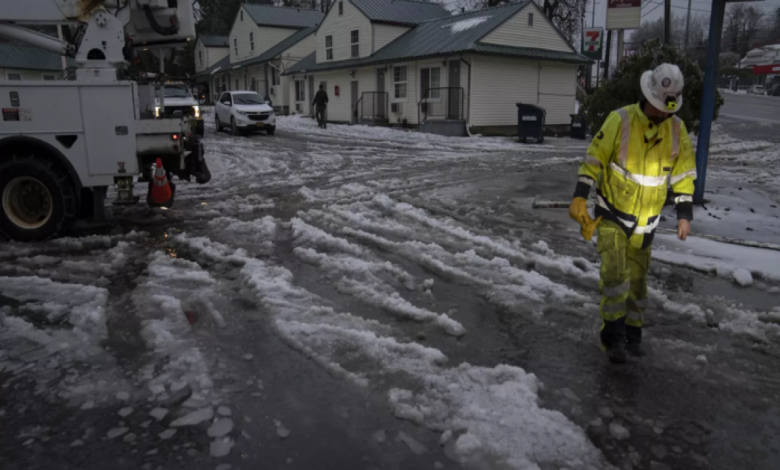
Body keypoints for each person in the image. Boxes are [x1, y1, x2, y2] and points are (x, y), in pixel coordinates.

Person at [569, 63, 697, 364]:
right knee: (615, 275)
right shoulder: (621, 120)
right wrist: (579, 197)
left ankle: (633, 335)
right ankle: (612, 338)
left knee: (638, 282)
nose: (664, 114)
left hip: (646, 223)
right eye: (658, 107)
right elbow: (593, 160)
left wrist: (684, 214)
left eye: (668, 109)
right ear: (649, 97)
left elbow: (683, 176)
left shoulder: (677, 131)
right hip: (612, 214)